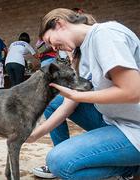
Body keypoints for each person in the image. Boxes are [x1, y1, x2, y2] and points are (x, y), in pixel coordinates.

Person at [30, 8, 140, 179]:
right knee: (54, 103)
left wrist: (78, 96)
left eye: (50, 40)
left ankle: (131, 168)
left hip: (135, 127)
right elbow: (68, 105)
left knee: (59, 162)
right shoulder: (81, 51)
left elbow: (133, 91)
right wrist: (35, 134)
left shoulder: (105, 34)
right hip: (115, 120)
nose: (52, 47)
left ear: (59, 24)